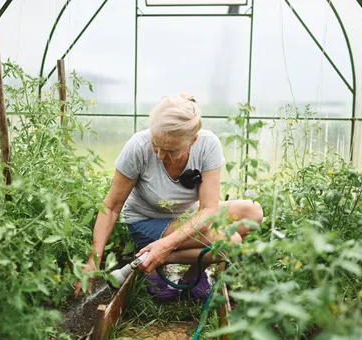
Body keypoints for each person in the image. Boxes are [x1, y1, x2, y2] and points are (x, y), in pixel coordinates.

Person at [74, 93, 263, 300]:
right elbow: (110, 207)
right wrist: (93, 259)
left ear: (193, 140)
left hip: (189, 216)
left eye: (171, 150)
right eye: (156, 145)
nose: (160, 155)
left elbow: (209, 210)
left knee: (252, 212)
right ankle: (154, 255)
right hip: (147, 221)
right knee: (230, 241)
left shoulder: (208, 145)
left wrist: (166, 247)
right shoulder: (138, 147)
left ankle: (178, 269)